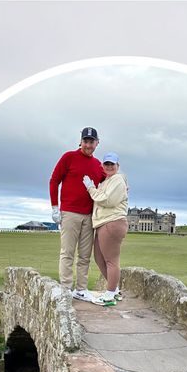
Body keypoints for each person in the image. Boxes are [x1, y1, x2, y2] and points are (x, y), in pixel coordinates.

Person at [49, 127, 105, 304]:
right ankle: (66, 289)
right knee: (67, 253)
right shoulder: (69, 157)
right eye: (85, 141)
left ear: (97, 143)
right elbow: (54, 180)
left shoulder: (97, 165)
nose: (88, 144)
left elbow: (107, 181)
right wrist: (55, 207)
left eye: (91, 141)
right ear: (80, 141)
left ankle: (81, 289)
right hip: (70, 213)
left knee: (85, 256)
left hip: (89, 215)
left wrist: (121, 184)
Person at [83, 152, 128, 306]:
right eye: (106, 164)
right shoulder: (107, 181)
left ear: (117, 166)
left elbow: (107, 200)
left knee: (111, 260)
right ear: (103, 166)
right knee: (99, 258)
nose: (109, 167)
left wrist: (90, 188)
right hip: (103, 223)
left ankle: (109, 295)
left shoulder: (117, 179)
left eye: (112, 164)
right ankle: (114, 290)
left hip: (112, 222)